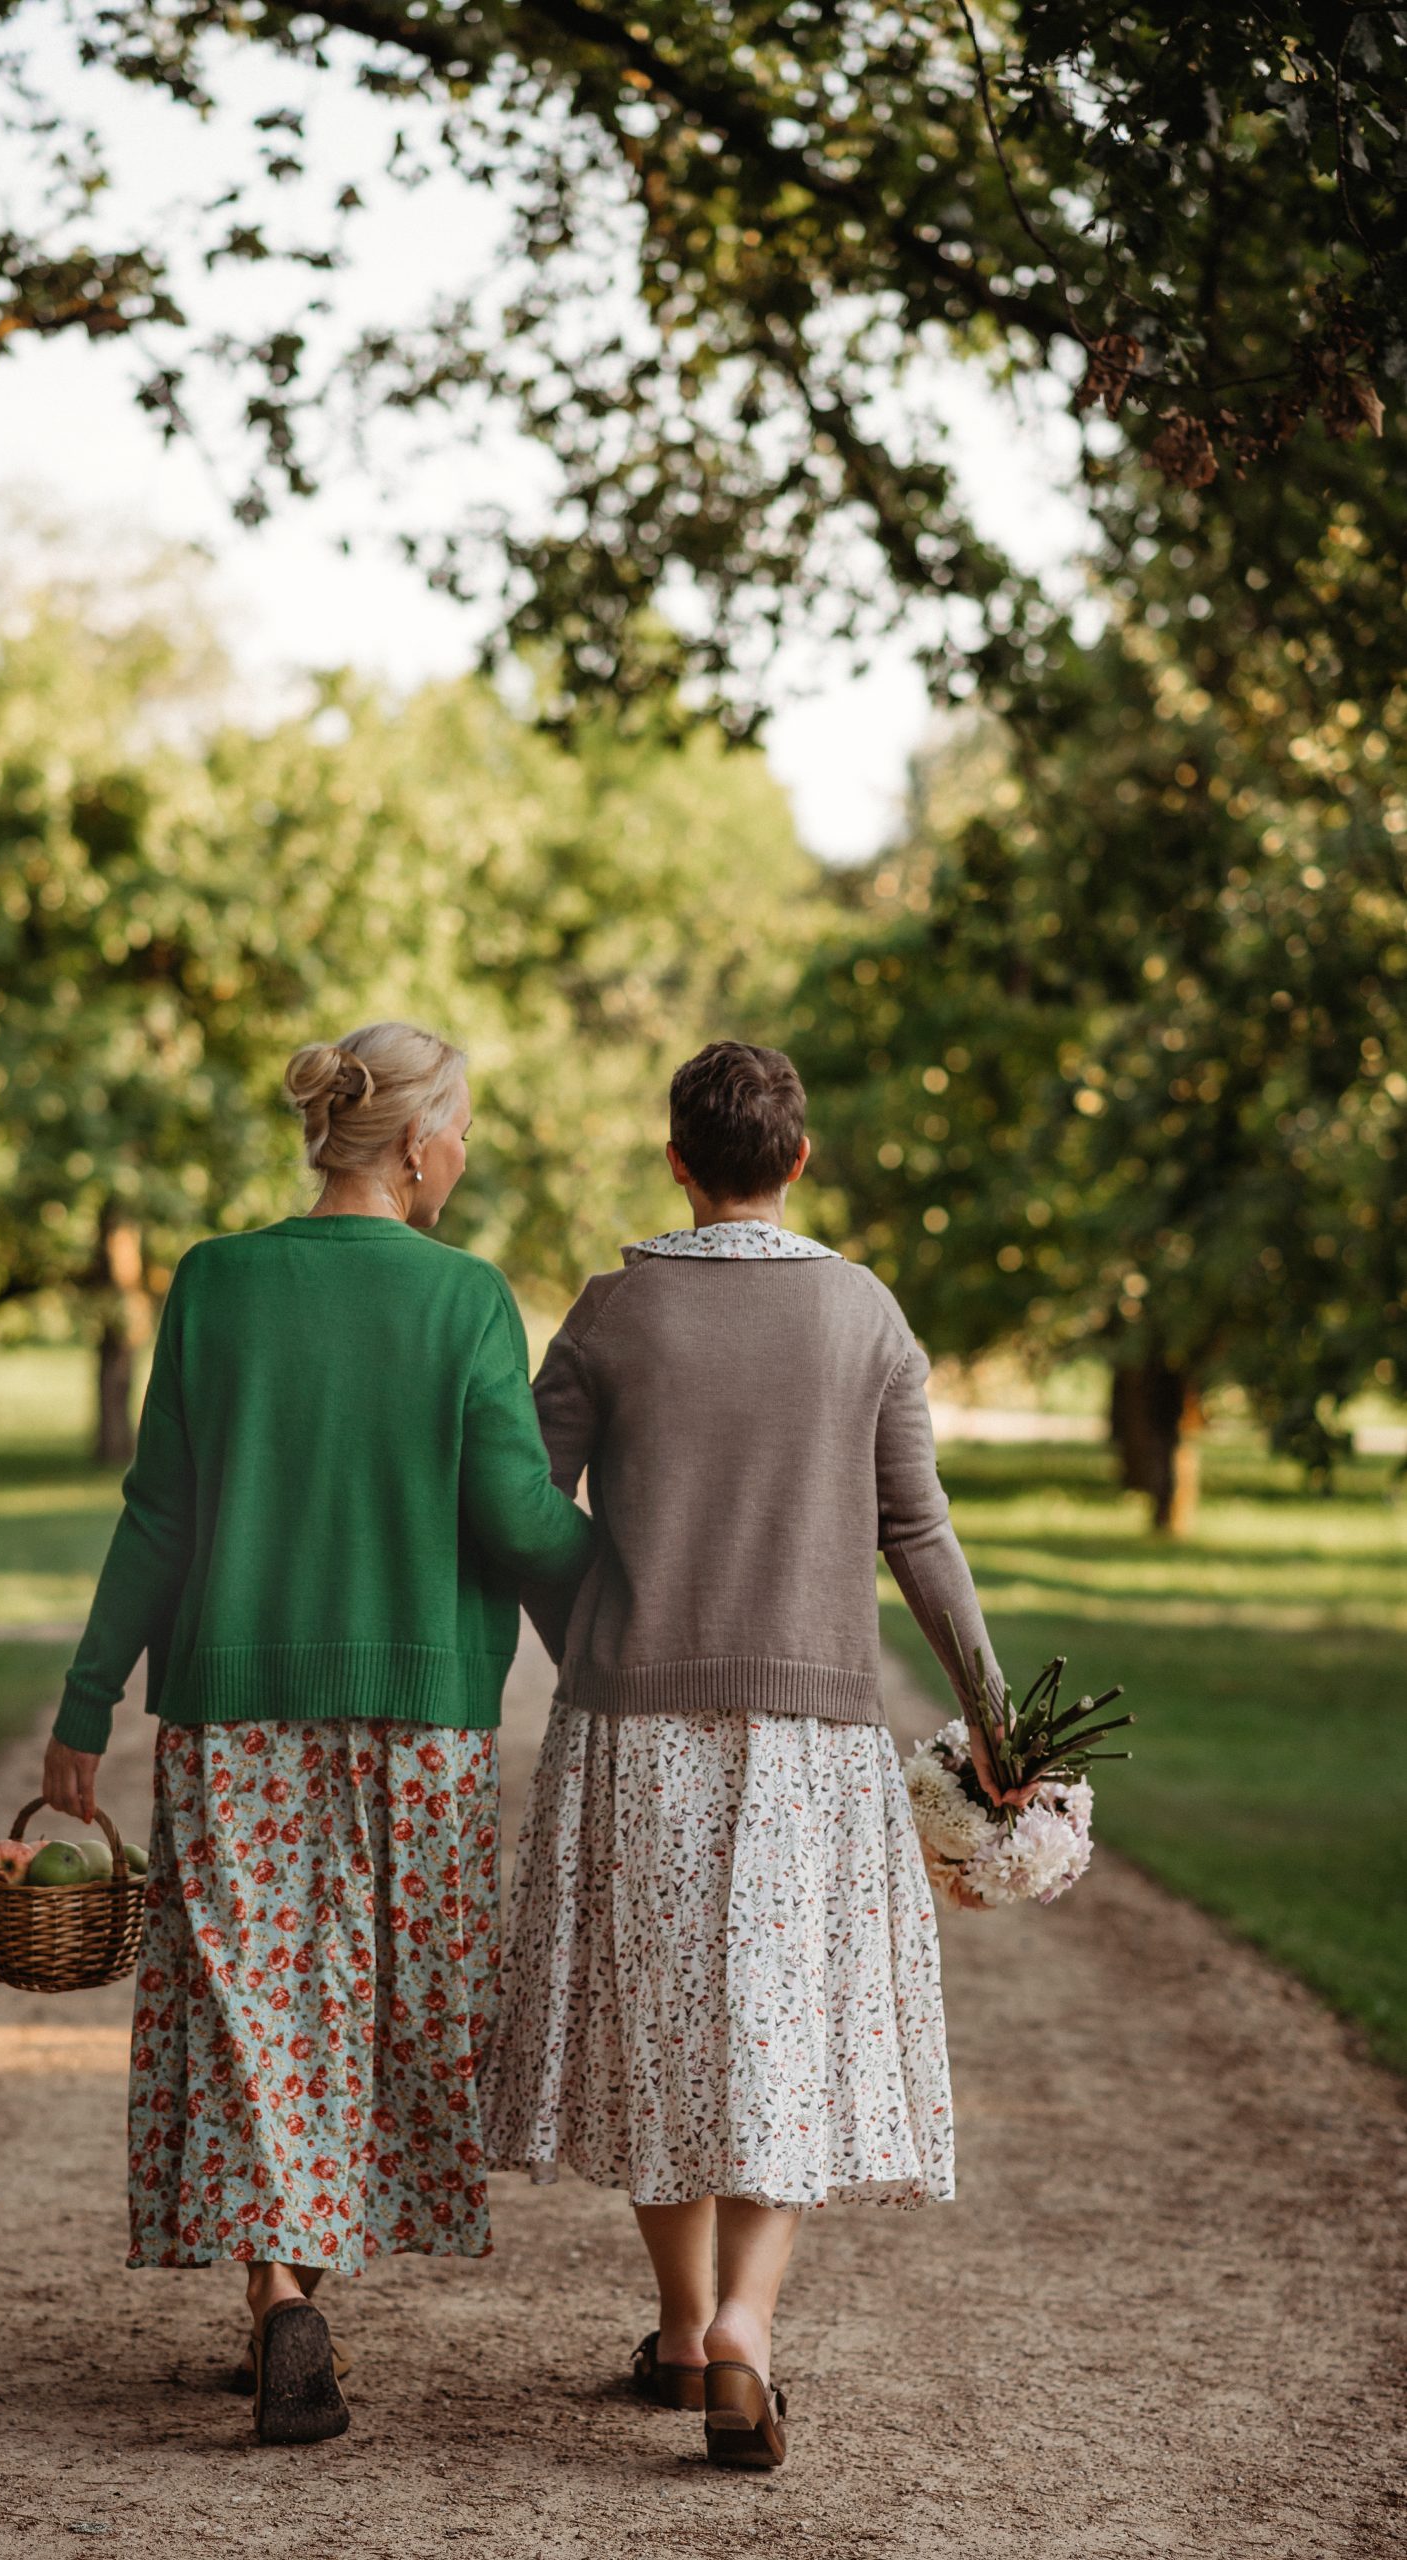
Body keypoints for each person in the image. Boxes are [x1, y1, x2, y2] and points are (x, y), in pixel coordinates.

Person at [43, 1022, 593, 2446]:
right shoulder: (469, 1300)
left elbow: (157, 1512)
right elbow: (521, 1522)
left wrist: (84, 1707)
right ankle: (295, 2274)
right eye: (460, 1126)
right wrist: (653, 1566)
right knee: (376, 1998)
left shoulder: (216, 1283)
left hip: (233, 1714)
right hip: (417, 1729)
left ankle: (282, 2291)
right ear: (421, 1149)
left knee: (251, 2000)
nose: (464, 1150)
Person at [482, 1040, 1009, 2473]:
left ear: (676, 1159)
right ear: (801, 1157)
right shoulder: (864, 1314)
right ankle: (745, 2333)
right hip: (812, 1740)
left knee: (658, 2029)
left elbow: (524, 1501)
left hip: (633, 1729)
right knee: (784, 2033)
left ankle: (679, 2322)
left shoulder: (612, 1310)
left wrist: (587, 1619)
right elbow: (920, 1532)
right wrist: (991, 1699)